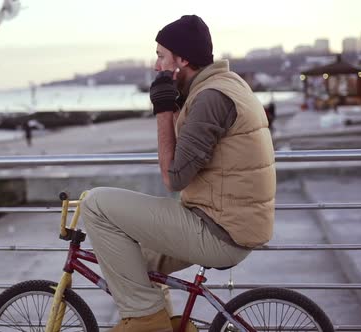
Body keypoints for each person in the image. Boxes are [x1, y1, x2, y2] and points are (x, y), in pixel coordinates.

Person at [81, 14, 276, 332]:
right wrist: (173, 101)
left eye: (161, 56)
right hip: (227, 222)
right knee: (132, 259)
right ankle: (164, 325)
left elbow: (174, 178)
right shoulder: (224, 86)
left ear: (182, 59)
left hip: (219, 231)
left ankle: (146, 320)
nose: (156, 65)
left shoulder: (211, 98)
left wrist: (162, 107)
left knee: (95, 203)